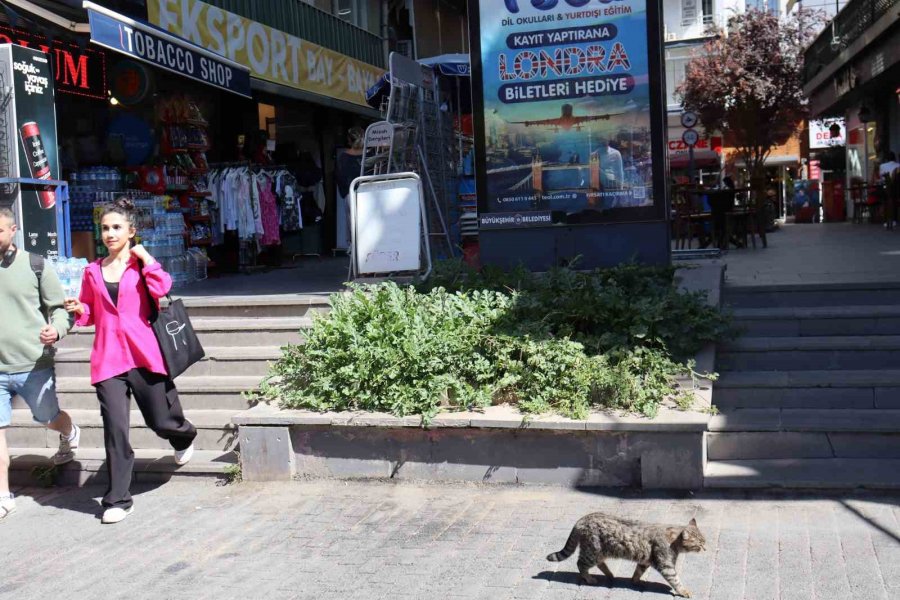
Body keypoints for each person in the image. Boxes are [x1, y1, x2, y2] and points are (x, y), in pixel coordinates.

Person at [64, 198, 196, 525]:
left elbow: (163, 287)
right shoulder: (92, 271)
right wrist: (80, 311)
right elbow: (91, 310)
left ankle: (183, 436)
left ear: (131, 231)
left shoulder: (141, 267)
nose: (109, 233)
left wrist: (146, 257)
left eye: (116, 227)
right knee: (116, 430)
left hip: (143, 353)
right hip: (108, 359)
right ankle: (118, 499)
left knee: (161, 421)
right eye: (105, 228)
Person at [0, 207, 80, 519]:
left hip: (34, 363)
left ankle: (68, 430)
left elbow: (60, 309)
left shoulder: (35, 265)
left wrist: (56, 329)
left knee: (47, 417)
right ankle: (4, 493)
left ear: (14, 229)